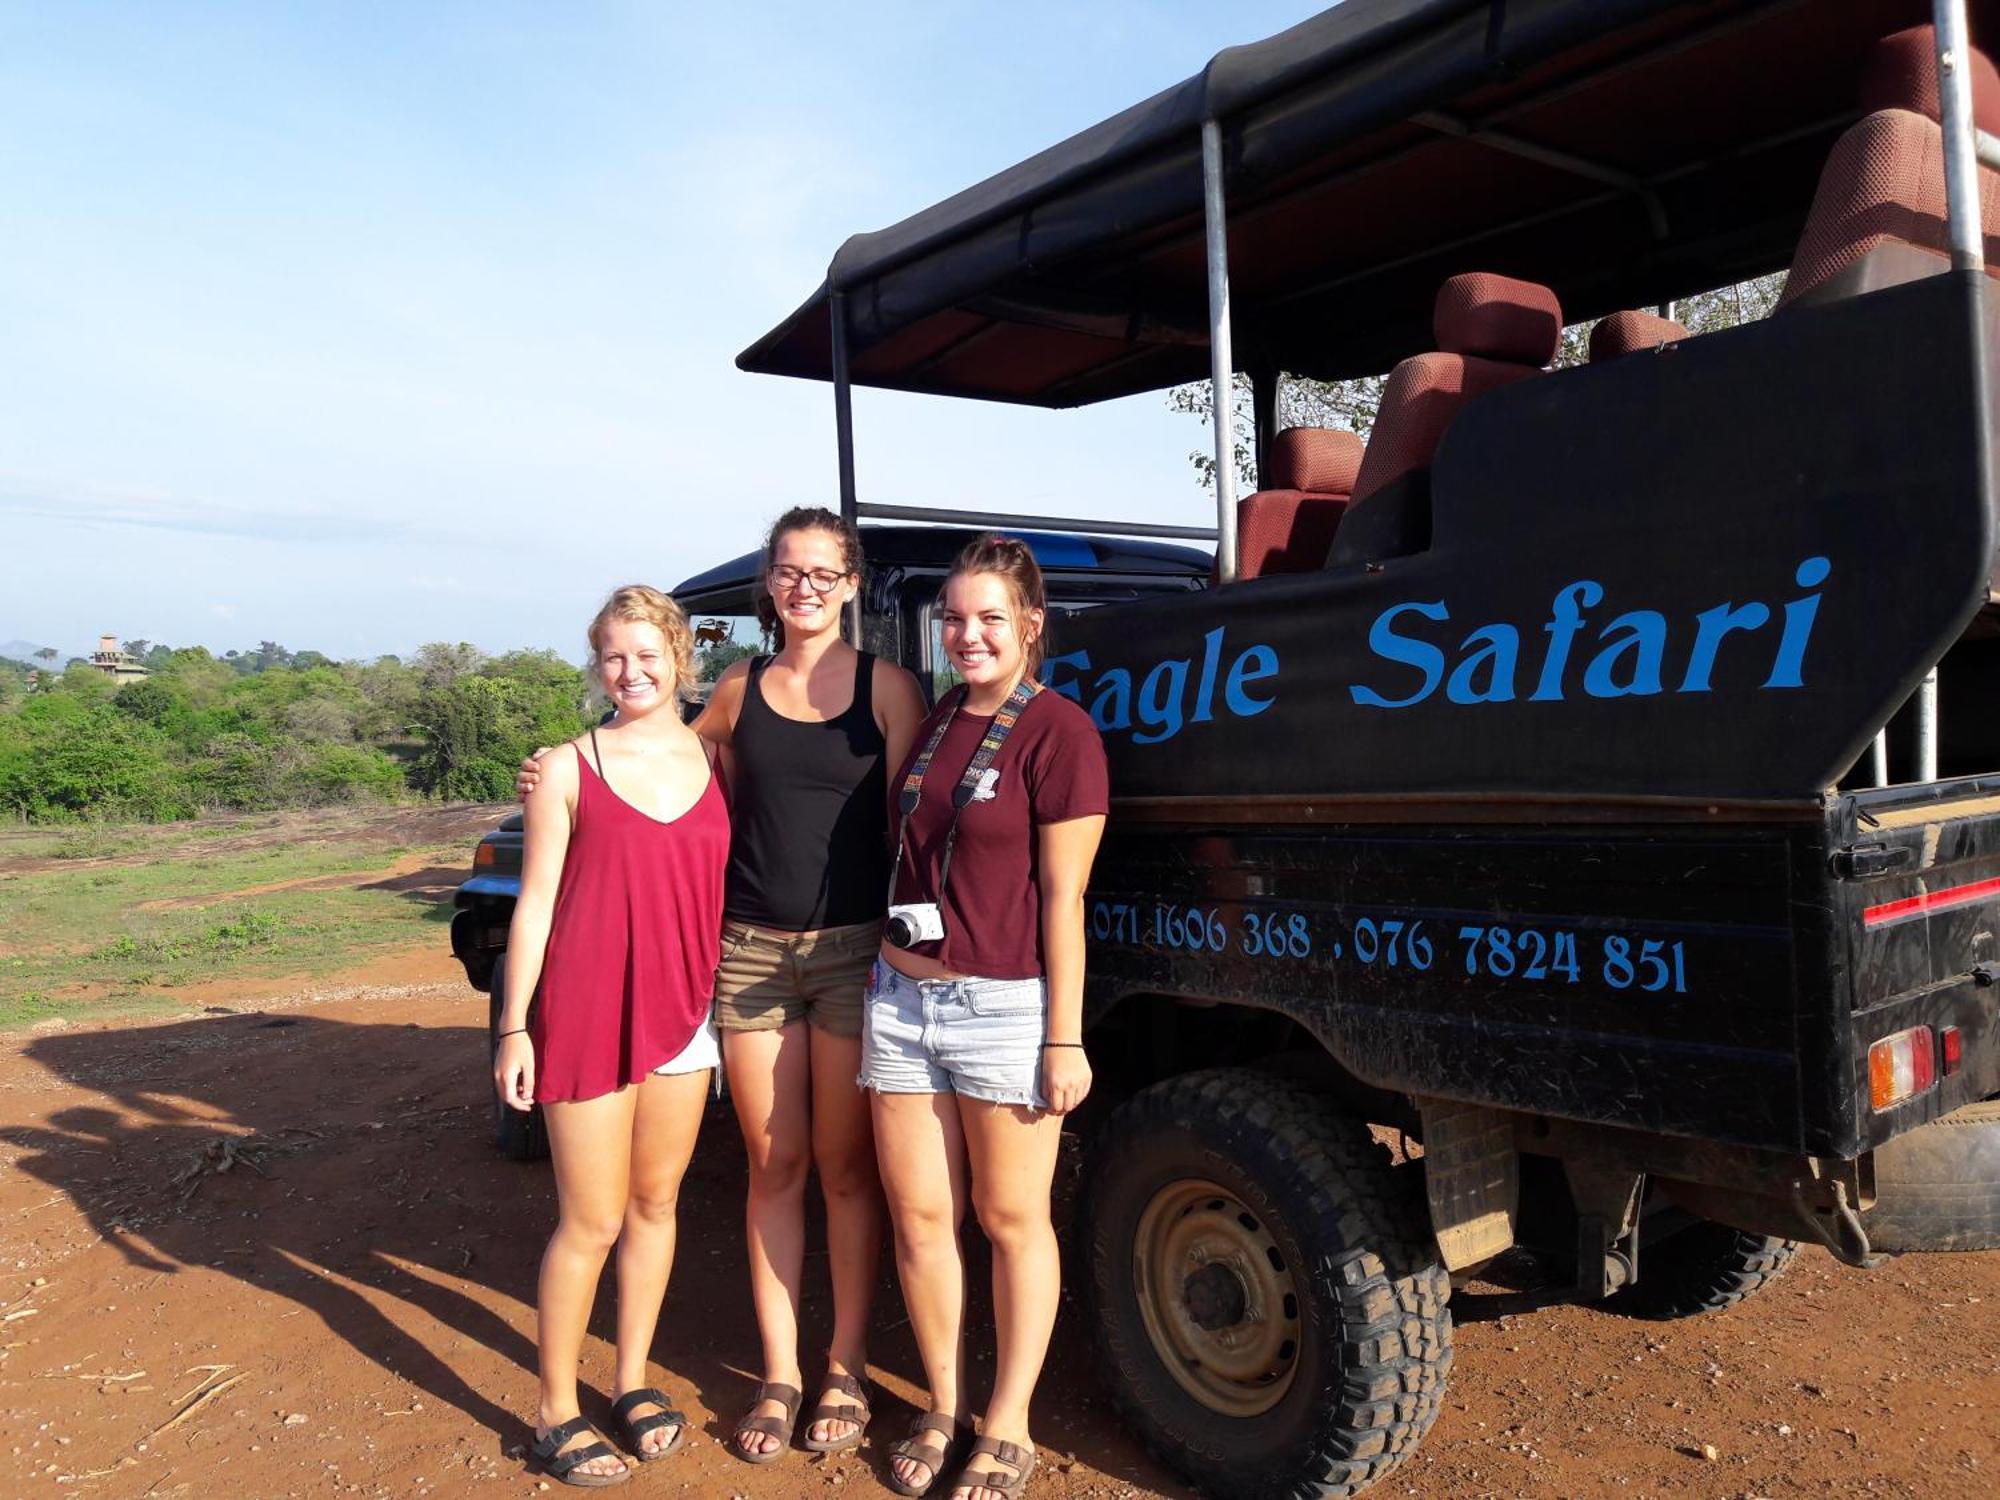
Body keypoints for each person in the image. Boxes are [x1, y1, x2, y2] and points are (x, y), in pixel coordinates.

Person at [517, 507, 927, 1467]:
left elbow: (922, 813)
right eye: (789, 570)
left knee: (845, 1170)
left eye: (823, 571)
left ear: (851, 581)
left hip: (851, 952)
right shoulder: (738, 692)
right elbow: (656, 756)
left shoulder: (892, 689)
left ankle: (844, 1367)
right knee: (772, 1165)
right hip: (746, 959)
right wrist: (555, 768)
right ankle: (781, 1376)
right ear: (770, 584)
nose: (805, 586)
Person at [862, 535, 1107, 1500]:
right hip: (899, 997)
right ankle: (939, 1403)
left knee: (1010, 1220)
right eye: (954, 619)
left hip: (1004, 1006)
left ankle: (1006, 1422)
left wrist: (1064, 1037)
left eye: (989, 618)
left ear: (1029, 626)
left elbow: (1064, 902)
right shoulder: (930, 723)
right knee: (922, 1219)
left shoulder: (1059, 734)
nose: (968, 635)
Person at [493, 585, 727, 1488]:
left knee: (655, 1207)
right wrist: (514, 1026)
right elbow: (536, 904)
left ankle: (629, 1381)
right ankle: (556, 1408)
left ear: (679, 658)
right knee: (588, 1220)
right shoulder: (566, 768)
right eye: (613, 658)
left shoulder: (716, 759)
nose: (630, 672)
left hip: (684, 1013)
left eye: (646, 655)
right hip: (586, 1011)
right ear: (598, 665)